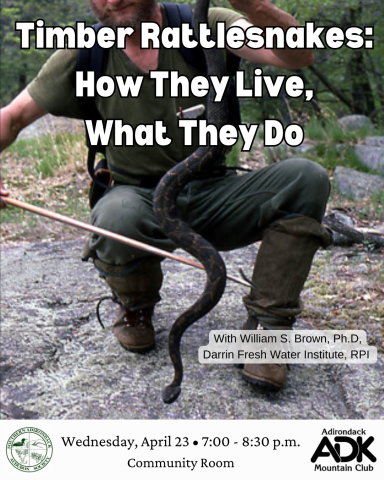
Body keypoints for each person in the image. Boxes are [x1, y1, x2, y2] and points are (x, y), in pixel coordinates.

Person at [0, 0, 332, 392]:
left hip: (214, 192)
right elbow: (12, 117)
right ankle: (136, 309)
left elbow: (296, 54)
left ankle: (268, 330)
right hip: (138, 201)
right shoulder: (84, 52)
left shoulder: (205, 24)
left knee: (306, 178)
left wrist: (251, 5)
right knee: (113, 214)